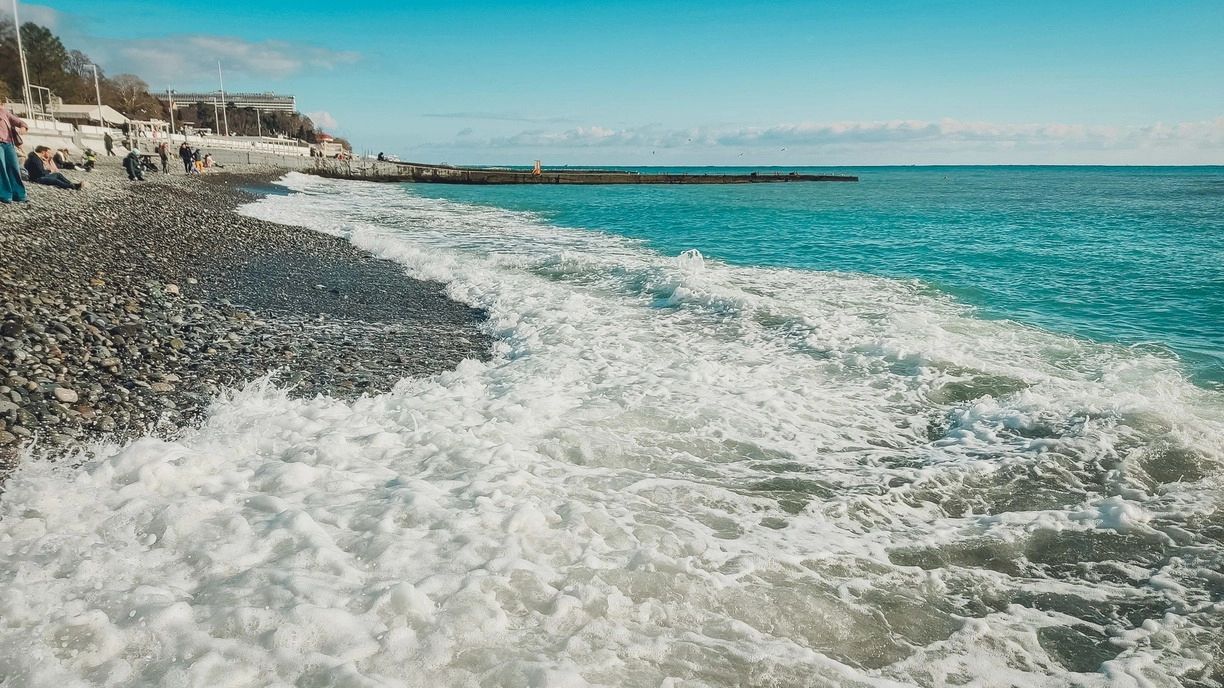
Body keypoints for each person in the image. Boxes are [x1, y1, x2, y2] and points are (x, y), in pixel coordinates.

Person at [0, 104, 28, 203]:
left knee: (14, 167)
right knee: (1, 168)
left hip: (8, 144)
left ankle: (19, 194)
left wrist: (23, 127)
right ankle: (5, 195)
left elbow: (19, 122)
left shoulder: (4, 113)